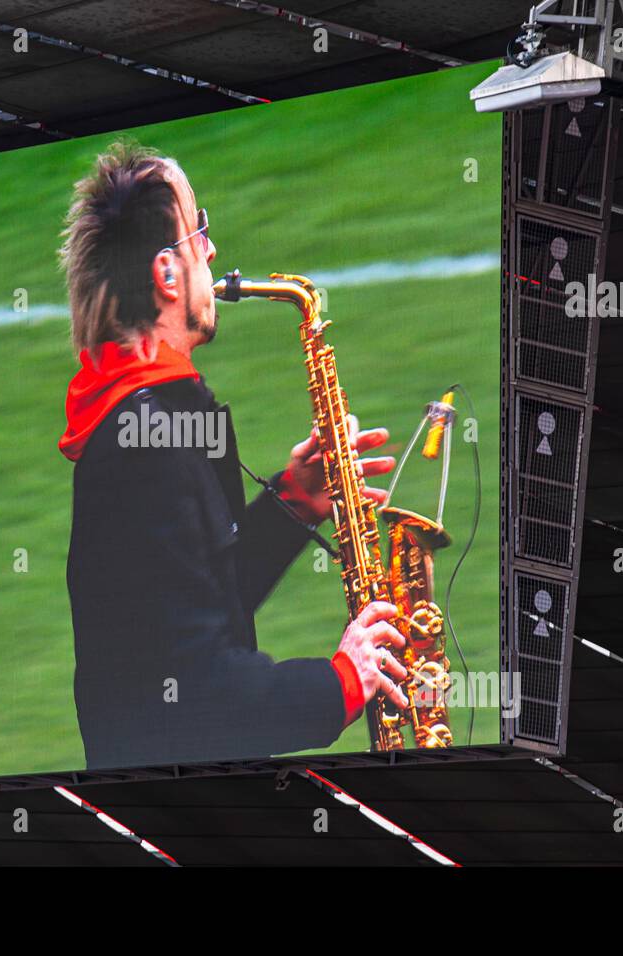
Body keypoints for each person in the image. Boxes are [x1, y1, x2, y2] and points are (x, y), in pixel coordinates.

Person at [58, 141, 407, 769]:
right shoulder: (145, 445)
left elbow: (195, 608)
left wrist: (295, 501)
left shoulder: (157, 418)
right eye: (201, 232)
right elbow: (193, 695)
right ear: (166, 273)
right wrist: (339, 683)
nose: (213, 251)